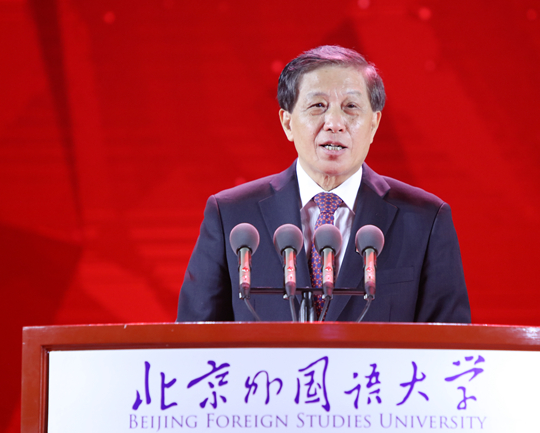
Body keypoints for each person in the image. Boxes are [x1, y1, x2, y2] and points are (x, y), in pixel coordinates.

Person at [177, 45, 470, 323]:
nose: (334, 123)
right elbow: (192, 340)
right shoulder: (231, 214)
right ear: (287, 123)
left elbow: (449, 346)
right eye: (318, 105)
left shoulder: (425, 219)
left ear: (374, 124)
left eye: (351, 107)